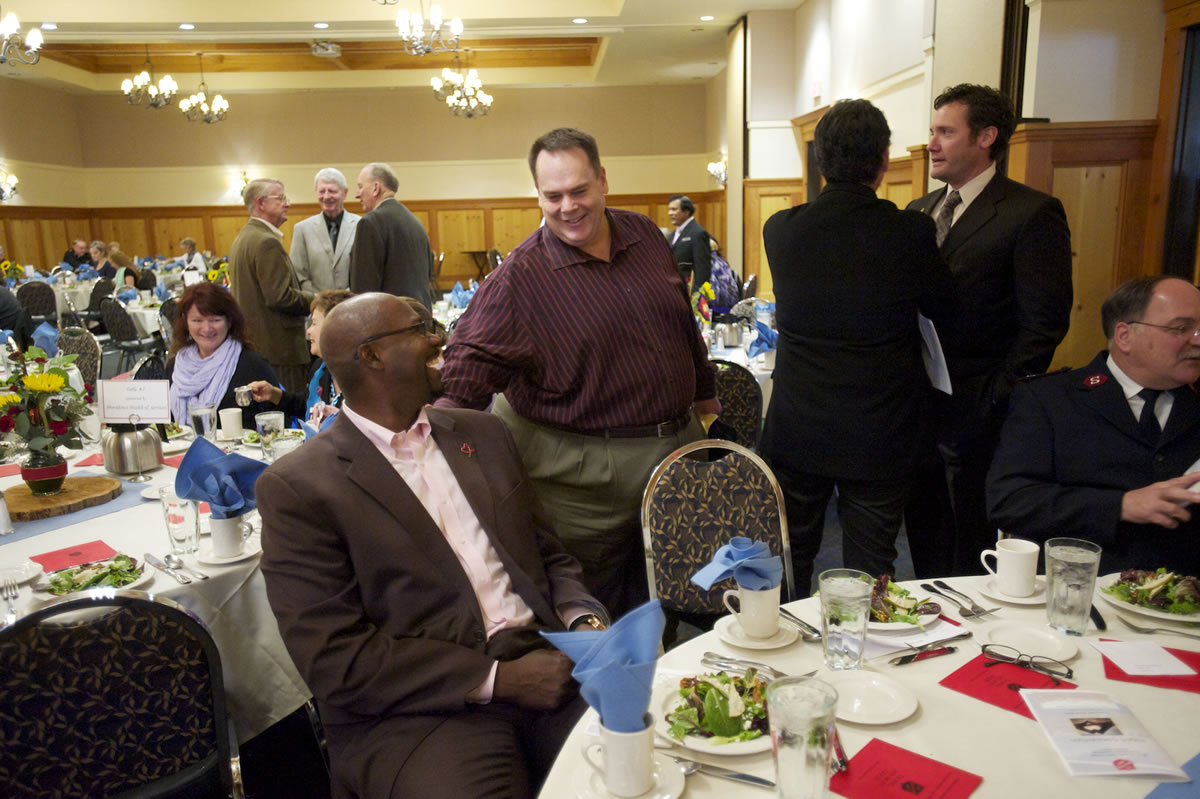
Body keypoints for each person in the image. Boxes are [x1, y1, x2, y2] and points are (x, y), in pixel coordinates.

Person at [257, 292, 607, 798]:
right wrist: (498, 679)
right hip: (417, 713)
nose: (440, 337)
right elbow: (336, 659)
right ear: (372, 357)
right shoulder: (300, 487)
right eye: (420, 328)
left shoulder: (483, 433)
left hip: (551, 663)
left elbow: (548, 556)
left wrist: (584, 623)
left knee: (651, 762)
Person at [436, 128, 719, 616]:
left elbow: (681, 320)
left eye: (579, 190)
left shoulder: (645, 234)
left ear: (603, 181)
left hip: (675, 456)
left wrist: (704, 391)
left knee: (682, 596)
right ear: (538, 196)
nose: (568, 206)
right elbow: (461, 380)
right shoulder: (519, 279)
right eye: (553, 196)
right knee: (593, 614)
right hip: (583, 484)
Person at [759, 99, 957, 594]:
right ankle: (866, 664)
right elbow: (945, 307)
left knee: (791, 556)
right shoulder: (909, 231)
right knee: (871, 568)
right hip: (880, 427)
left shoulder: (780, 230)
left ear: (820, 161)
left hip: (800, 424)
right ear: (885, 160)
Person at [904, 83, 1073, 578]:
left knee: (969, 539)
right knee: (924, 532)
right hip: (917, 408)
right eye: (932, 131)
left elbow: (1045, 321)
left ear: (986, 137)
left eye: (945, 132)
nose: (931, 143)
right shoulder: (918, 211)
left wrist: (998, 394)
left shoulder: (1030, 212)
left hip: (981, 410)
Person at [987, 276, 1200, 579]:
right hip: (1077, 593)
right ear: (1125, 335)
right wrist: (1120, 506)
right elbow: (1010, 501)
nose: (1197, 339)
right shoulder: (1052, 400)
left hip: (1183, 601)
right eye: (1181, 328)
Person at [228, 178, 314, 393]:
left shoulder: (244, 238)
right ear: (261, 203)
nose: (288, 204)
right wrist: (319, 300)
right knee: (286, 416)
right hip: (279, 348)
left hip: (258, 345)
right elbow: (280, 297)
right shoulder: (266, 241)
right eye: (281, 198)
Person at [166, 282, 278, 429]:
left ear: (229, 321)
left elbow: (277, 423)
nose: (206, 328)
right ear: (186, 322)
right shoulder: (175, 367)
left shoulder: (253, 367)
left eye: (215, 320)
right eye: (197, 320)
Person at [247, 288, 354, 428]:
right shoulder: (321, 368)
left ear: (335, 329)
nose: (308, 331)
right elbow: (307, 405)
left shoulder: (362, 379)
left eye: (314, 323)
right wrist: (273, 394)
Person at [349, 163, 433, 309]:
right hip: (420, 319)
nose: (357, 194)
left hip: (389, 324)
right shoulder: (416, 223)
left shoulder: (370, 223)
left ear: (375, 188)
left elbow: (363, 292)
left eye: (360, 186)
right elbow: (429, 274)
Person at [291, 168, 360, 293]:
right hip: (316, 306)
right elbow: (298, 274)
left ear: (345, 193)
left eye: (332, 191)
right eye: (322, 191)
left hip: (353, 303)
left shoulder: (361, 225)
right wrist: (321, 299)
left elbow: (366, 270)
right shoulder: (302, 229)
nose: (326, 196)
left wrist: (345, 298)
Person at [666, 194, 712, 291]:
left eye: (674, 209)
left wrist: (698, 295)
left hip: (690, 291)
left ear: (686, 212)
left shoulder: (698, 233)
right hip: (675, 288)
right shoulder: (673, 235)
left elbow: (702, 268)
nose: (670, 213)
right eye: (669, 209)